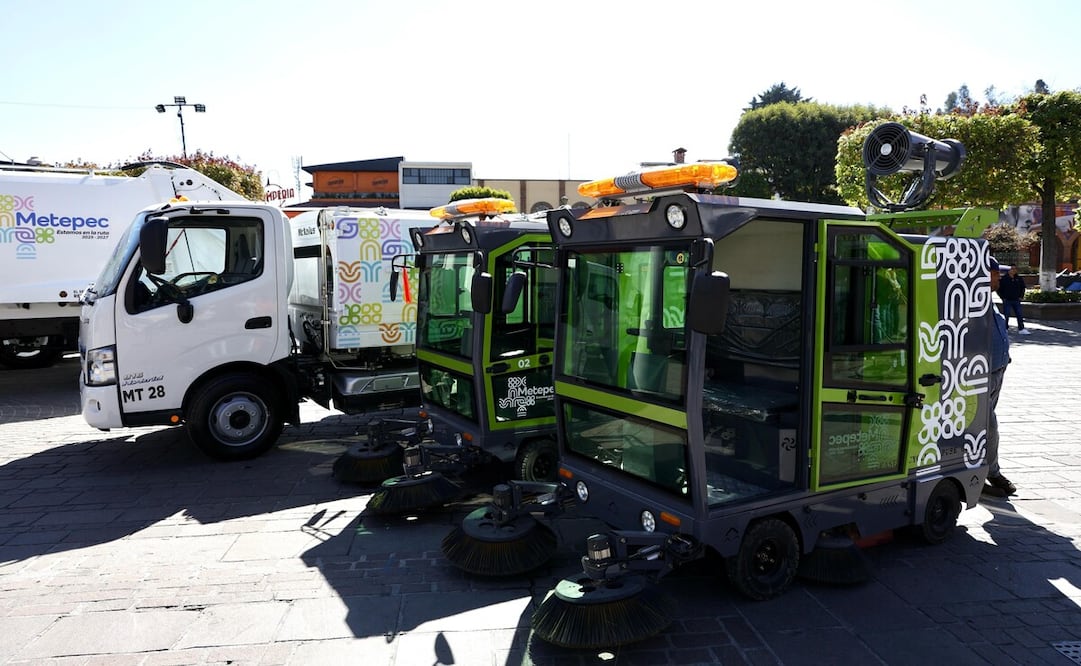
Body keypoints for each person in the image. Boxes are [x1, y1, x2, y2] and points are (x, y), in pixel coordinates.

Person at [984, 257, 1017, 497]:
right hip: (981, 376)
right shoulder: (969, 302)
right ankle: (992, 473)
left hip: (998, 370)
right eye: (996, 274)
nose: (1000, 278)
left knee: (985, 426)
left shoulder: (989, 299)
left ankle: (978, 469)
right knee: (989, 426)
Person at [997, 264, 1029, 335]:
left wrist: (1021, 296)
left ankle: (1021, 329)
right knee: (1006, 315)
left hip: (1016, 300)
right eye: (1012, 269)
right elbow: (999, 289)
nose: (1013, 270)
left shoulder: (1019, 278)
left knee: (1019, 314)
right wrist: (1002, 297)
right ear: (1008, 270)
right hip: (1007, 300)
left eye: (1015, 269)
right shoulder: (1004, 279)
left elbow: (1022, 288)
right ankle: (1005, 328)